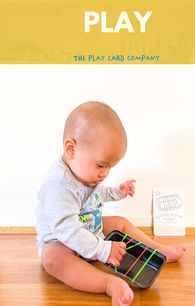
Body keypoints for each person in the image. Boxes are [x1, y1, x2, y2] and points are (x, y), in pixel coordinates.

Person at [36, 101, 185, 306]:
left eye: (110, 167)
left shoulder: (86, 172)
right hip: (62, 242)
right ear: (71, 149)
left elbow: (97, 195)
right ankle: (108, 284)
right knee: (52, 259)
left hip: (89, 228)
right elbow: (67, 230)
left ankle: (158, 251)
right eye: (101, 165)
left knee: (119, 222)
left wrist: (117, 192)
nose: (105, 173)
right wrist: (103, 250)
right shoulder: (57, 186)